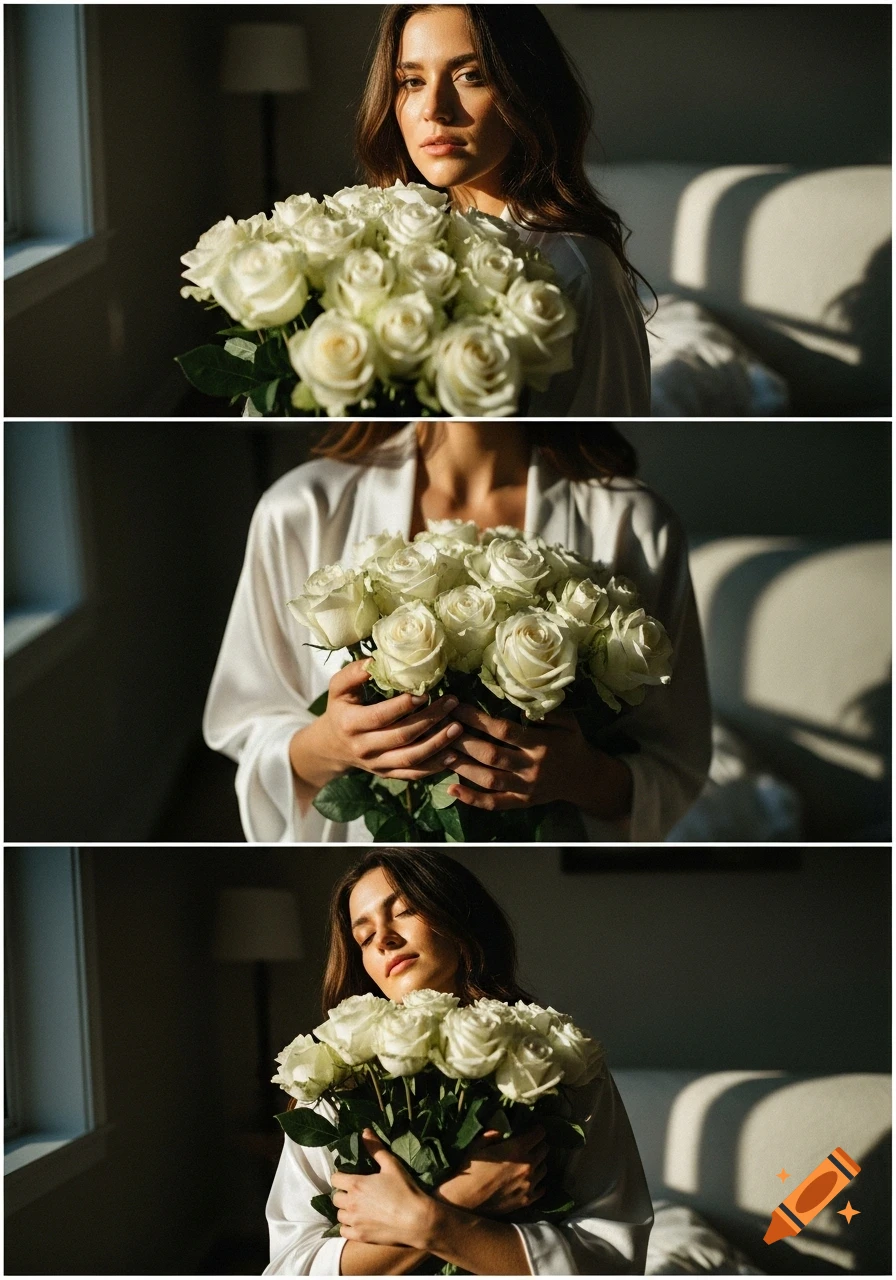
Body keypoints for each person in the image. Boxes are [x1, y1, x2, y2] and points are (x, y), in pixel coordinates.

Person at [203, 422, 711, 843]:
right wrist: (331, 745)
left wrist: (580, 776)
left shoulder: (635, 526)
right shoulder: (300, 511)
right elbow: (246, 723)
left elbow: (675, 764)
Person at [264, 848, 654, 1275]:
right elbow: (290, 1267)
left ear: (459, 917)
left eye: (405, 911)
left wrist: (429, 1223)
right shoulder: (333, 1085)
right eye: (364, 936)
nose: (384, 939)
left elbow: (612, 1257)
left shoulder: (558, 1062)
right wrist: (459, 1200)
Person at [355, 4, 651, 416]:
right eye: (412, 81)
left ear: (527, 90)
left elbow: (603, 445)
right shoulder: (374, 252)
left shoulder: (578, 270)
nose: (434, 109)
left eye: (470, 76)